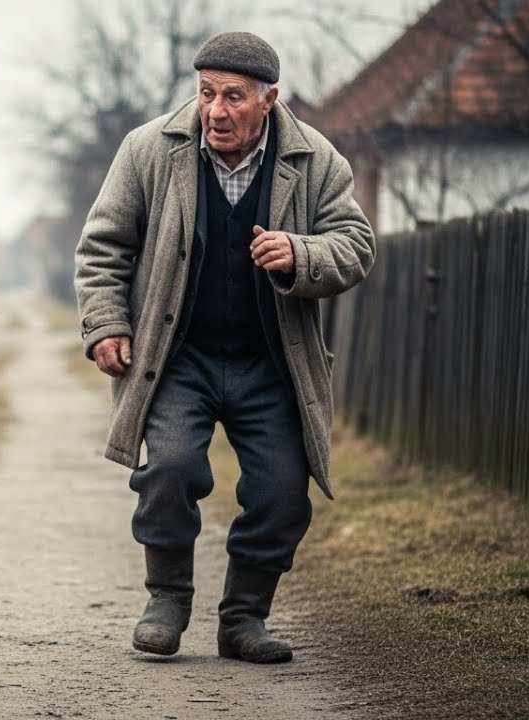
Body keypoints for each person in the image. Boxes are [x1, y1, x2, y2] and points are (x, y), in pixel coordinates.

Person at [73, 31, 375, 663]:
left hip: (273, 361)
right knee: (171, 469)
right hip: (176, 356)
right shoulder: (148, 150)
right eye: (206, 93)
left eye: (233, 96)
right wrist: (105, 325)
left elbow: (355, 245)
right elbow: (103, 248)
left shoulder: (317, 161)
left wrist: (302, 254)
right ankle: (168, 598)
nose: (215, 110)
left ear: (268, 100)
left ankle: (243, 619)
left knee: (282, 492)